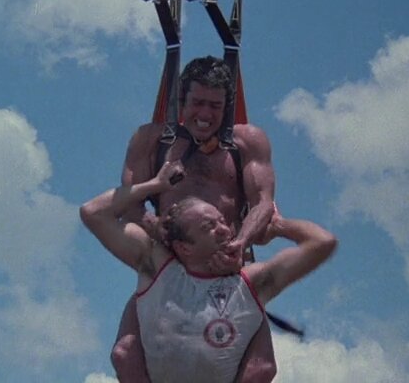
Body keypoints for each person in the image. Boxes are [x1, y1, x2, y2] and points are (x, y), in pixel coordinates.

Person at [80, 162, 338, 383]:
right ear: (185, 247)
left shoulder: (250, 283)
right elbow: (93, 212)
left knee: (262, 369)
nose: (224, 230)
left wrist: (278, 226)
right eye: (208, 227)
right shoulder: (157, 267)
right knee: (124, 352)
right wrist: (154, 185)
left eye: (222, 221)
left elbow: (323, 242)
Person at [117, 56, 277, 381]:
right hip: (169, 267)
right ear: (181, 101)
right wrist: (157, 230)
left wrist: (239, 243)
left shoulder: (247, 142)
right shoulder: (151, 140)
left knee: (261, 369)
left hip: (226, 270)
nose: (205, 115)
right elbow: (128, 203)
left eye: (215, 106)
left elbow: (263, 203)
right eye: (197, 103)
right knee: (125, 354)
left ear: (226, 107)